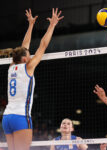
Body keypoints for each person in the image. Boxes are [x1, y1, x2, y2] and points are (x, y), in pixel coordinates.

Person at [2, 8, 64, 150]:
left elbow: (24, 46)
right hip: (20, 118)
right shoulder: (28, 67)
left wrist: (30, 25)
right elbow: (43, 45)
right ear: (24, 58)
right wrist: (52, 25)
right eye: (29, 54)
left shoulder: (12, 67)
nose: (31, 55)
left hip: (7, 118)